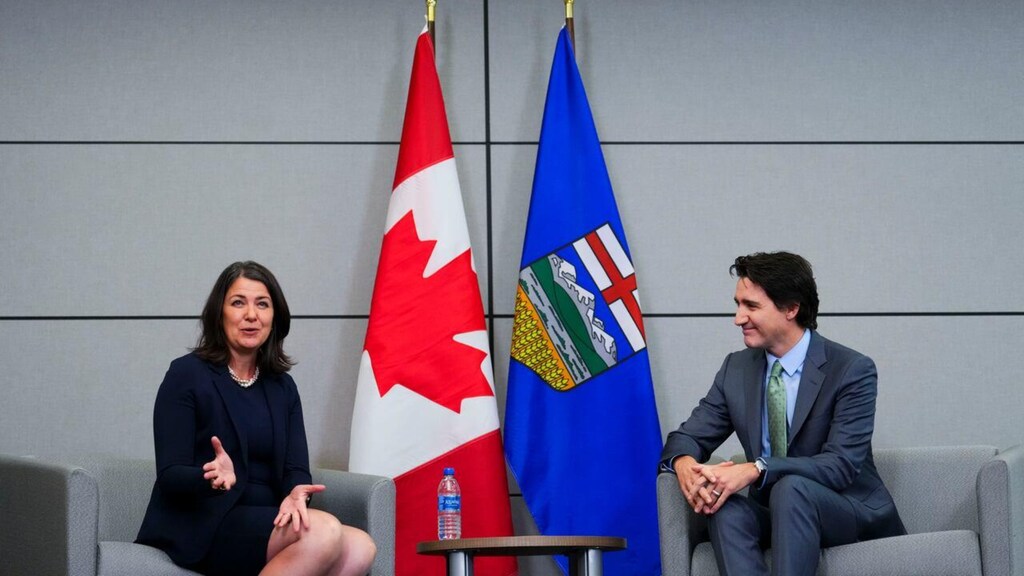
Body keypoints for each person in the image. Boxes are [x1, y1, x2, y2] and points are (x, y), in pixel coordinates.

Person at [660, 252, 905, 576]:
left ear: (791, 308)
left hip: (845, 507)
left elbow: (841, 465)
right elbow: (687, 436)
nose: (738, 318)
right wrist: (685, 465)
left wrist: (758, 468)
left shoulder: (851, 369)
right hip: (774, 510)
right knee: (723, 506)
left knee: (792, 489)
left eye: (751, 306)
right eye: (738, 304)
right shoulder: (736, 369)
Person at [137, 261, 376, 576]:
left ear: (274, 316)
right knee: (325, 531)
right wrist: (210, 477)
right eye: (238, 303)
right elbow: (169, 474)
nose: (251, 315)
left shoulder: (282, 386)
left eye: (262, 304)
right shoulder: (187, 374)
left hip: (266, 518)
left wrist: (295, 492)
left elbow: (295, 468)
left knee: (361, 547)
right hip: (206, 520)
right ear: (219, 313)